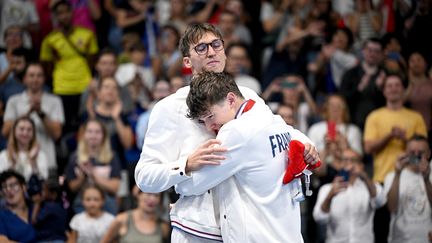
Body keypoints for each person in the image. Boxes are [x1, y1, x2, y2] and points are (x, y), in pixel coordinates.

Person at [135, 23, 319, 242]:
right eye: (201, 48)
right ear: (186, 61)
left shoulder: (247, 94)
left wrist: (306, 145)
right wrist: (184, 165)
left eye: (216, 44)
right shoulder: (169, 108)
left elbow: (279, 128)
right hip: (197, 232)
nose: (211, 51)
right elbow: (144, 177)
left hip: (246, 230)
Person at [175, 71, 317, 242]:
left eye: (210, 116)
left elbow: (191, 186)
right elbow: (295, 134)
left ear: (231, 100)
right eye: (202, 121)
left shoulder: (236, 131)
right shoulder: (268, 115)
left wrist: (187, 165)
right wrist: (310, 145)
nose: (209, 126)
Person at [364, 74, 427, 184]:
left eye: (397, 85)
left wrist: (404, 139)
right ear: (384, 91)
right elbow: (368, 149)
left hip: (412, 177)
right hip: (382, 177)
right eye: (389, 86)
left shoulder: (416, 117)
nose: (394, 89)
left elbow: (424, 150)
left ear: (403, 90)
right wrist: (390, 136)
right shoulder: (374, 116)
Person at [313, 148, 385, 243]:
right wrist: (330, 196)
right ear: (339, 164)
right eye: (345, 160)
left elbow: (380, 202)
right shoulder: (327, 189)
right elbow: (319, 218)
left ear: (361, 165)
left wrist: (364, 176)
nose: (349, 164)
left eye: (353, 160)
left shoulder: (370, 187)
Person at [2, 62, 64, 170]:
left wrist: (41, 113)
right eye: (31, 75)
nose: (35, 79)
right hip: (17, 163)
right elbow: (6, 132)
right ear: (24, 79)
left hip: (47, 161)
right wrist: (27, 112)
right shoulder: (13, 101)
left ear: (44, 79)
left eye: (39, 75)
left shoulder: (54, 101)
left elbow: (57, 134)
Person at [65, 119, 121, 215]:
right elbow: (72, 188)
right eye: (90, 131)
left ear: (103, 135)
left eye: (97, 132)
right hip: (82, 204)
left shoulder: (112, 157)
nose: (93, 135)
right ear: (84, 135)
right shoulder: (75, 157)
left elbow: (115, 187)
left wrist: (93, 175)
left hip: (106, 205)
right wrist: (82, 176)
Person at [383, 134, 432, 243]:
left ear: (428, 154)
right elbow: (392, 208)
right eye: (412, 153)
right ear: (405, 152)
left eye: (420, 153)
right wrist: (397, 174)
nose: (416, 156)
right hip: (400, 239)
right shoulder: (392, 176)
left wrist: (426, 180)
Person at [101, 187, 171, 243]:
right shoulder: (121, 220)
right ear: (138, 195)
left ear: (160, 200)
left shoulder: (163, 226)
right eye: (148, 194)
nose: (152, 199)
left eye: (156, 196)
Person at [0, 116, 49, 181]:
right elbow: (2, 181)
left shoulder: (41, 155)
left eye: (29, 130)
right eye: (21, 129)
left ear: (33, 133)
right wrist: (12, 164)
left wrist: (33, 162)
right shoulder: (4, 155)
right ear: (14, 131)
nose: (25, 133)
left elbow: (43, 180)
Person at [0, 170, 37, 242]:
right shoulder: (2, 216)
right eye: (4, 187)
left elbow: (62, 233)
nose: (8, 190)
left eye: (13, 185)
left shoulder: (37, 208)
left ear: (23, 187)